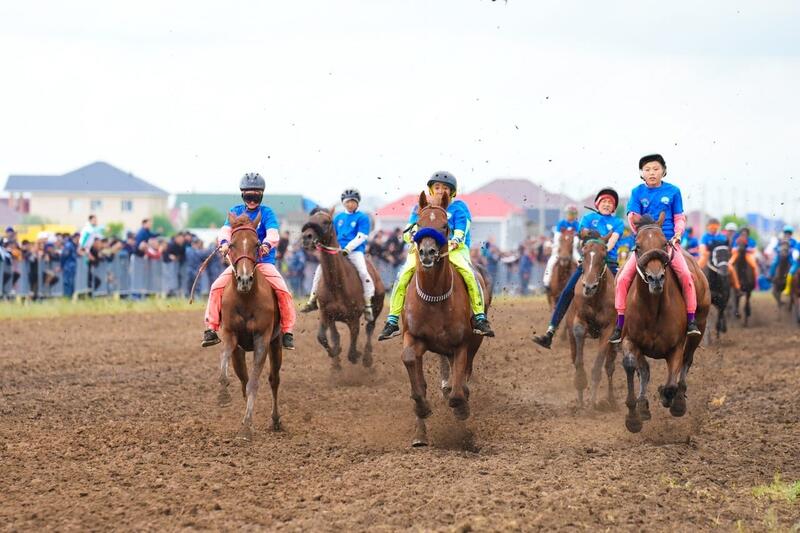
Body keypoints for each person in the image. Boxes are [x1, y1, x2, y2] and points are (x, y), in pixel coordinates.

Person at [378, 171, 494, 340]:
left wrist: (455, 240)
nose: (440, 191)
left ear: (452, 192)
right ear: (431, 190)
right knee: (402, 275)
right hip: (422, 249)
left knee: (469, 274)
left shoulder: (459, 207)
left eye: (445, 188)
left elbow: (463, 228)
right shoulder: (420, 207)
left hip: (454, 249)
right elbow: (409, 229)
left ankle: (479, 317)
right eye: (437, 187)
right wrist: (409, 237)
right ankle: (392, 320)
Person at [609, 154, 700, 344]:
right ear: (642, 173)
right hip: (644, 245)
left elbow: (679, 217)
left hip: (667, 243)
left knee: (686, 275)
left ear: (663, 171)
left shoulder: (674, 191)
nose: (652, 172)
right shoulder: (636, 192)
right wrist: (642, 236)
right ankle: (620, 324)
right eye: (648, 169)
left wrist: (677, 234)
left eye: (656, 169)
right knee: (623, 278)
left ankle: (691, 320)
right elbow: (632, 216)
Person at [201, 173, 296, 350]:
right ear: (242, 195)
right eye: (248, 196)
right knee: (215, 287)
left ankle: (287, 331)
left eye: (256, 196)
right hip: (239, 264)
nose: (252, 200)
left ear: (261, 195)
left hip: (263, 261)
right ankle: (211, 329)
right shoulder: (236, 211)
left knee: (283, 291)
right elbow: (225, 231)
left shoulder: (267, 213)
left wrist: (267, 244)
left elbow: (273, 233)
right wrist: (223, 243)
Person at [533, 187, 623, 348]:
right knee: (567, 292)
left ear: (614, 207)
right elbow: (582, 237)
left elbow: (610, 244)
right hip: (588, 262)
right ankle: (550, 331)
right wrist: (590, 237)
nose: (607, 204)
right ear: (597, 204)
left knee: (625, 293)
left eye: (611, 202)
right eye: (604, 201)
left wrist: (596, 241)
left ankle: (622, 332)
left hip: (609, 263)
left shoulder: (618, 223)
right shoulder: (587, 218)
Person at [302, 188, 376, 321]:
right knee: (319, 271)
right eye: (347, 202)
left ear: (357, 203)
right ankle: (312, 300)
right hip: (337, 251)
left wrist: (347, 248)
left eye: (353, 201)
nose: (350, 204)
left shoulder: (363, 217)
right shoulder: (338, 218)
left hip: (355, 252)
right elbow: (330, 234)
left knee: (364, 273)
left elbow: (361, 236)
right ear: (343, 203)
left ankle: (367, 304)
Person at [542, 204, 580, 294]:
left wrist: (572, 245)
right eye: (569, 213)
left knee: (580, 262)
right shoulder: (561, 223)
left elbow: (577, 237)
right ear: (566, 214)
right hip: (560, 248)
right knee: (551, 262)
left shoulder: (577, 224)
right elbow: (557, 236)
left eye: (573, 214)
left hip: (572, 249)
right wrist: (560, 247)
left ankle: (581, 283)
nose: (571, 215)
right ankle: (546, 282)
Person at [698, 218, 739, 289]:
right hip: (708, 256)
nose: (713, 228)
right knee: (698, 267)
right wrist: (704, 252)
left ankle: (737, 286)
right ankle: (696, 284)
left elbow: (727, 249)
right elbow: (702, 248)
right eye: (711, 226)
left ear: (718, 226)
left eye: (715, 226)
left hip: (720, 258)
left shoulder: (722, 237)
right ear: (708, 227)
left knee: (731, 269)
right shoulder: (705, 236)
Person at [60, 232, 79, 298]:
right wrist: (61, 266)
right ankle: (67, 297)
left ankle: (70, 297)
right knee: (67, 283)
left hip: (72, 267)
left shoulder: (74, 245)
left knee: (72, 283)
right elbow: (64, 256)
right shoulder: (69, 245)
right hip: (68, 267)